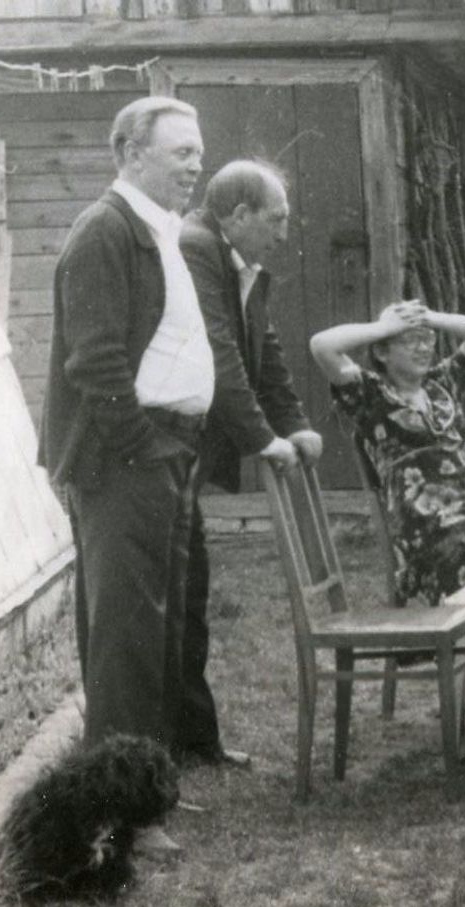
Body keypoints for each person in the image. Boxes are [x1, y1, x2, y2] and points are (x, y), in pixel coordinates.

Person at [41, 97, 210, 853]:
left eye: (198, 152)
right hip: (124, 463)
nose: (196, 165)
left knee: (162, 633)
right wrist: (142, 446)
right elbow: (94, 360)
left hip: (164, 454)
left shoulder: (158, 232)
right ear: (133, 155)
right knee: (126, 642)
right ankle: (121, 819)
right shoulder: (104, 232)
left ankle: (151, 795)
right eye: (182, 153)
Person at [177, 159, 323, 767]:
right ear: (238, 216)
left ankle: (194, 740)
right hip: (162, 444)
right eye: (277, 219)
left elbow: (263, 350)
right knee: (178, 593)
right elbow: (218, 354)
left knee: (190, 589)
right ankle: (180, 743)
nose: (285, 233)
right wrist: (264, 440)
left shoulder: (241, 262)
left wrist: (295, 424)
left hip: (187, 450)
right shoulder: (195, 250)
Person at [309, 303, 465, 607]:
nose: (422, 348)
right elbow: (321, 345)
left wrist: (429, 318)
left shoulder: (441, 383)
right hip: (430, 539)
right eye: (409, 340)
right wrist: (386, 327)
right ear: (381, 353)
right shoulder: (370, 394)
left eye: (427, 339)